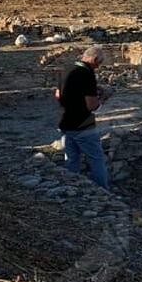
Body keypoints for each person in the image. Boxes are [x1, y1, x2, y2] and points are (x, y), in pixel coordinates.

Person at [56, 46, 111, 190]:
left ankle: (72, 188)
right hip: (83, 124)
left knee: (72, 159)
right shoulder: (87, 74)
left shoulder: (67, 69)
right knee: (96, 159)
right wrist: (103, 99)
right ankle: (103, 193)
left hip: (66, 122)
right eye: (98, 64)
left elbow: (58, 94)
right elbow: (91, 106)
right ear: (93, 59)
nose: (98, 67)